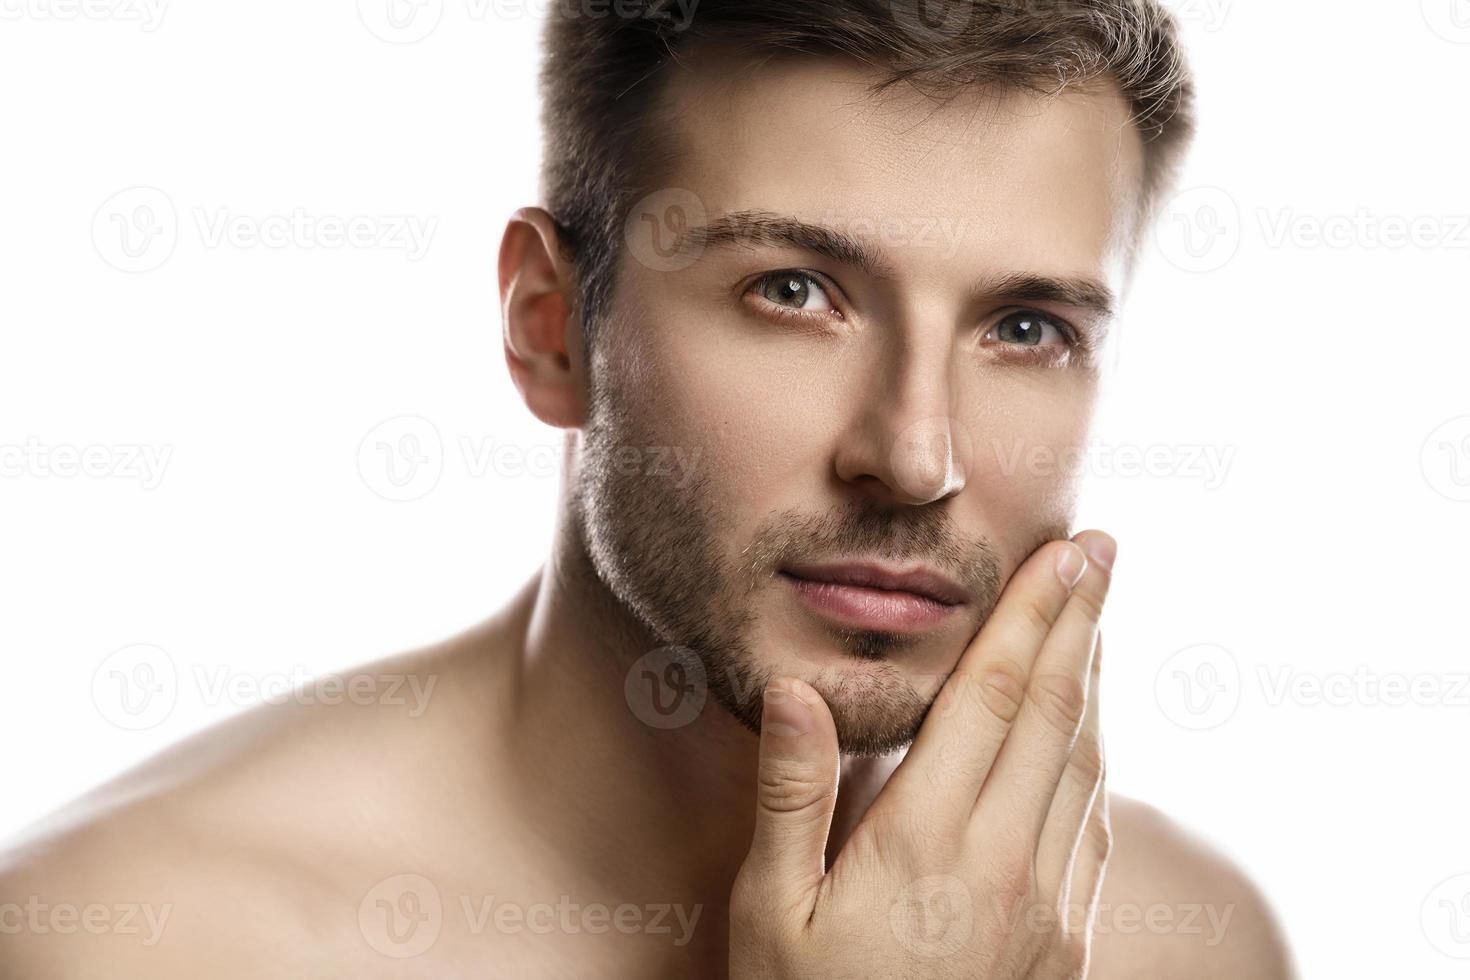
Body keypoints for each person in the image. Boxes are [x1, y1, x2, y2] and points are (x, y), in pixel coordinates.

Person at [0, 1, 1295, 975]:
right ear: (551, 327)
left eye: (1024, 328)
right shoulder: (137, 939)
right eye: (792, 292)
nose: (913, 459)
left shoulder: (1184, 940)